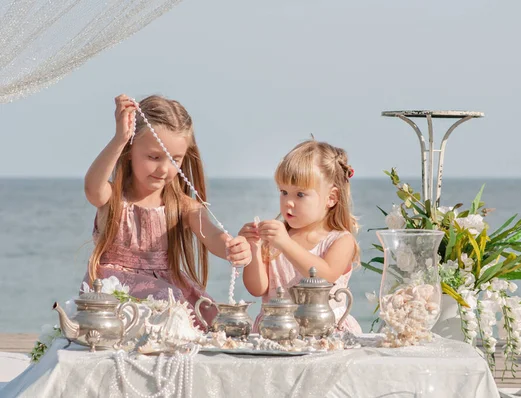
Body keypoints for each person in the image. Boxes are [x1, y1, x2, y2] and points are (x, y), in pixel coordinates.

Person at [82, 94, 251, 327]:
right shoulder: (113, 198)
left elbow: (211, 235)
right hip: (118, 293)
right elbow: (92, 188)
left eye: (175, 160)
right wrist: (120, 138)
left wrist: (232, 247)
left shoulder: (183, 206)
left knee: (209, 321)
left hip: (169, 294)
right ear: (130, 150)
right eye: (154, 157)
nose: (164, 169)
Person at [240, 139, 362, 334]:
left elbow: (326, 275)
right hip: (276, 331)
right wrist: (253, 247)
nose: (288, 202)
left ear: (331, 198)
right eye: (284, 192)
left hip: (324, 331)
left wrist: (285, 244)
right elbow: (257, 288)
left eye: (300, 195)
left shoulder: (340, 240)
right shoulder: (275, 239)